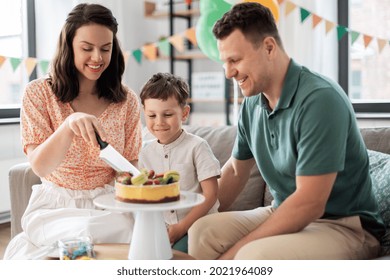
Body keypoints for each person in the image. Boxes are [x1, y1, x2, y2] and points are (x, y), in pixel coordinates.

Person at [188, 2, 385, 260]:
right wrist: (184, 218)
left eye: (234, 60)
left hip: (343, 225)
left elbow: (309, 203)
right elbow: (236, 171)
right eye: (224, 62)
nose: (228, 72)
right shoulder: (252, 102)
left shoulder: (319, 100)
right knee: (201, 232)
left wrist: (231, 257)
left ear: (269, 47)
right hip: (281, 210)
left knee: (252, 257)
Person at [4, 3, 142, 259]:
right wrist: (68, 126)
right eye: (87, 48)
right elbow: (40, 167)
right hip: (55, 207)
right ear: (69, 47)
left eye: (106, 48)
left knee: (133, 241)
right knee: (84, 233)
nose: (98, 58)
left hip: (108, 204)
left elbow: (130, 166)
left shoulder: (127, 101)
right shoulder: (38, 93)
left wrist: (142, 192)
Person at [138, 72, 220, 253]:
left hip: (198, 225)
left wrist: (181, 228)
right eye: (151, 116)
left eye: (167, 114)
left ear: (184, 113)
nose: (159, 122)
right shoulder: (144, 152)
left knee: (177, 258)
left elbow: (211, 195)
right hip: (163, 228)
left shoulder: (197, 146)